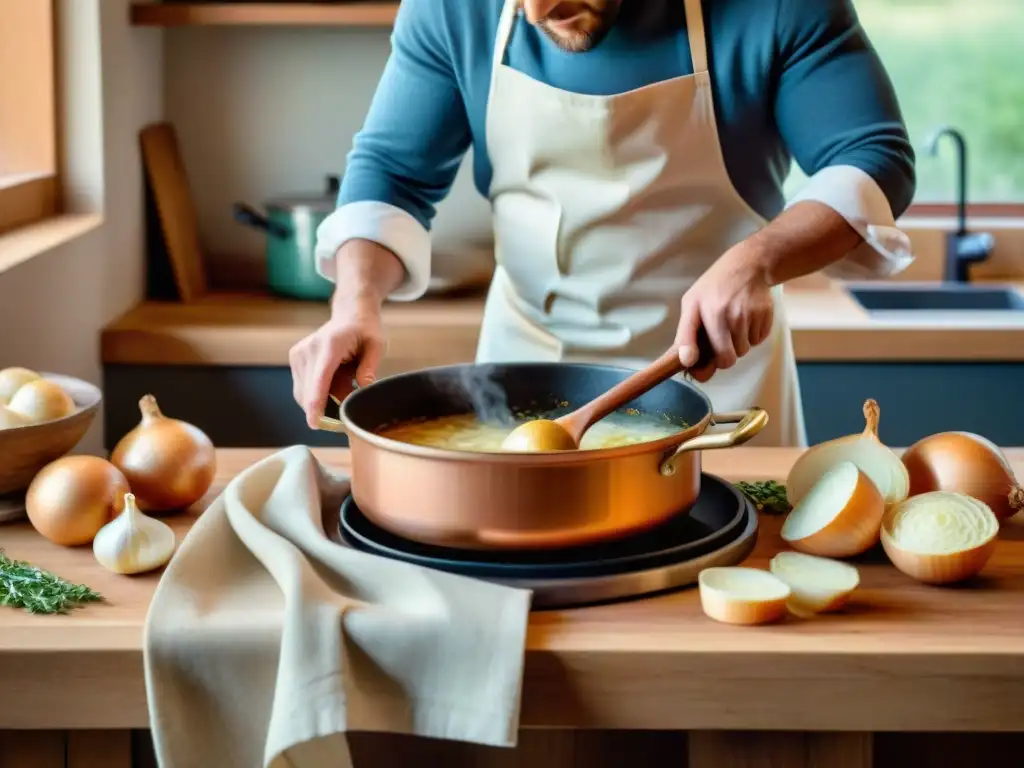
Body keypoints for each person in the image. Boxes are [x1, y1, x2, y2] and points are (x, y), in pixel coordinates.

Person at [289, 0, 916, 447]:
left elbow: (872, 158)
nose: (537, 12)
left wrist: (757, 260)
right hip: (518, 380)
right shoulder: (451, 9)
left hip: (720, 391)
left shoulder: (776, 8)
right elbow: (393, 175)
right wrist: (355, 304)